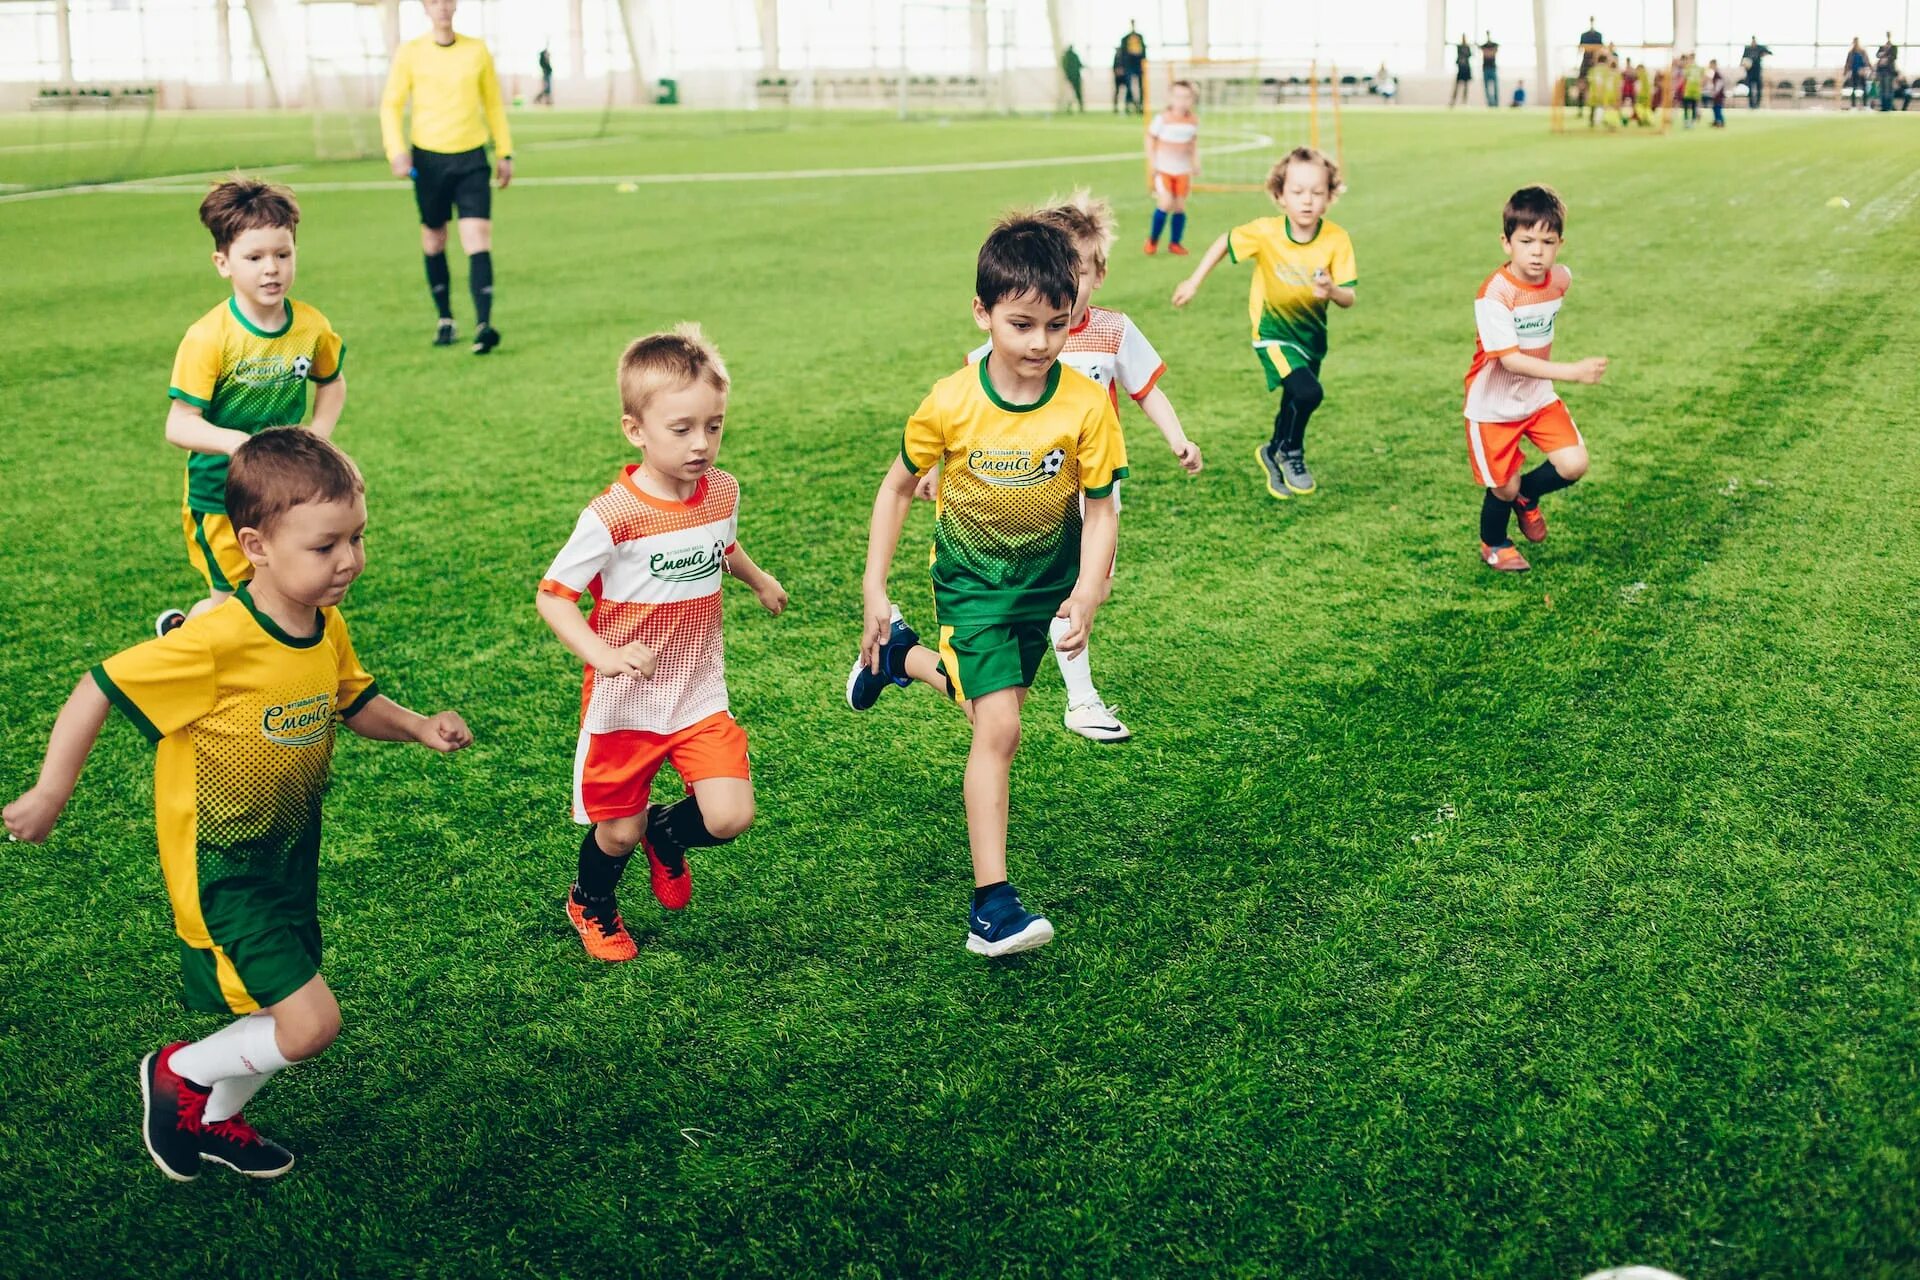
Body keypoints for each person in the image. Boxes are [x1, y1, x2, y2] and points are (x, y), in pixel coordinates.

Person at [3, 428, 472, 1181]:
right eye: (326, 546)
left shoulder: (324, 623)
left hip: (288, 856)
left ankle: (214, 1121)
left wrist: (417, 726)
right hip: (222, 868)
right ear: (255, 545)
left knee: (278, 1006)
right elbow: (98, 685)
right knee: (311, 1023)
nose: (349, 560)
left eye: (358, 537)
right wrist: (51, 792)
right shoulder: (214, 642)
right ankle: (179, 1074)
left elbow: (354, 699)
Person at [845, 216, 1127, 957]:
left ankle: (898, 659)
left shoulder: (1086, 407)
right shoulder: (950, 401)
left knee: (983, 704)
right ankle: (991, 907)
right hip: (970, 584)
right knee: (999, 728)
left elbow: (1100, 510)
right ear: (983, 314)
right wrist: (875, 587)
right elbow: (897, 488)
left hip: (1044, 588)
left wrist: (1090, 591)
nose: (1039, 343)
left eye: (1056, 325)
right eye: (1021, 324)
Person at [537, 326, 786, 962]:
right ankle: (591, 902)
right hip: (626, 702)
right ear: (635, 430)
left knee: (730, 815)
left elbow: (720, 546)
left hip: (699, 689)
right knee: (617, 833)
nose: (701, 443)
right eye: (682, 429)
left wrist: (757, 579)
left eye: (714, 426)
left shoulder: (723, 490)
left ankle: (669, 832)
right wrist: (602, 655)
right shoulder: (612, 515)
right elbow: (553, 597)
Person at [935, 190, 1201, 744]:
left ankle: (915, 665)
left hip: (1096, 490)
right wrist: (936, 471)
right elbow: (966, 416)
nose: (1067, 284)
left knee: (1091, 591)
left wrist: (1178, 438)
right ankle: (1080, 700)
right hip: (1028, 494)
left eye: (1077, 271)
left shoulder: (1113, 331)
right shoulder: (1011, 340)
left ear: (1096, 275)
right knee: (1046, 597)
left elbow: (1146, 389)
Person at [159, 178, 344, 637]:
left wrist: (318, 434)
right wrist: (239, 445)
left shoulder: (310, 326)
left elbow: (333, 383)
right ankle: (183, 640)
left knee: (277, 590)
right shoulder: (209, 337)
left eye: (283, 254)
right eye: (255, 257)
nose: (271, 270)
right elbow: (179, 424)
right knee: (233, 603)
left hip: (282, 490)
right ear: (223, 263)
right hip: (218, 495)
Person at [1171, 147, 1356, 501]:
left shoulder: (1336, 239)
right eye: (1297, 192)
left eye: (1317, 193)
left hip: (1312, 337)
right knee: (1308, 392)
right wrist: (1193, 282)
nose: (1307, 201)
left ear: (1330, 196)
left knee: (1294, 396)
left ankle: (1276, 450)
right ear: (1279, 196)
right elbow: (1224, 243)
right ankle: (1289, 451)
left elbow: (1349, 297)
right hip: (1272, 333)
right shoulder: (1265, 233)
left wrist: (1332, 290)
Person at [1462, 187, 1608, 573]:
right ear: (1506, 243)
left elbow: (1561, 281)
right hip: (1492, 406)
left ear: (1560, 243)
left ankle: (1528, 495)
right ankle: (1494, 543)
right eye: (1526, 241)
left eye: (1548, 241)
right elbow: (1509, 360)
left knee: (1574, 464)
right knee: (1502, 488)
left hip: (1538, 397)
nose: (1537, 252)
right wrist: (1572, 372)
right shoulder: (1494, 295)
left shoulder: (1559, 279)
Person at [380, 0, 513, 355]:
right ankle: (446, 318)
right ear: (425, 7)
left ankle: (484, 325)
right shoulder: (410, 53)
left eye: (447, 1)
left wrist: (505, 150)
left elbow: (494, 104)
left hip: (472, 157)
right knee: (434, 239)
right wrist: (396, 150)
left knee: (477, 237)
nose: (441, 7)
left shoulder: (477, 50)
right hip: (428, 158)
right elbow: (391, 105)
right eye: (434, 1)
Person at [1143, 79, 1198, 255]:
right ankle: (1153, 240)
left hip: (1182, 171)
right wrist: (1152, 162)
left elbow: (1192, 144)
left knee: (1180, 206)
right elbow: (1150, 138)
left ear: (1192, 99)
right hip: (1164, 170)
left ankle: (1175, 243)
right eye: (1178, 96)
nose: (1182, 101)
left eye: (1186, 97)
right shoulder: (1163, 119)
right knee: (1166, 202)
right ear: (1170, 98)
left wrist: (1195, 162)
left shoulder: (1192, 121)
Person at [1120, 22, 1147, 114]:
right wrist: (1121, 66)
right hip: (1129, 65)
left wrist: (1144, 64)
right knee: (1129, 86)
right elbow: (1122, 53)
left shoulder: (1140, 37)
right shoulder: (1125, 39)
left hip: (1138, 65)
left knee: (1141, 87)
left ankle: (1141, 106)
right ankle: (1129, 105)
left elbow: (1144, 52)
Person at [1741, 36, 1771, 108]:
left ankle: (1757, 105)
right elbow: (1743, 59)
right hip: (1750, 72)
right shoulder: (1747, 49)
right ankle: (1751, 105)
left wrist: (1763, 54)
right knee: (1750, 89)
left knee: (1759, 89)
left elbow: (1769, 52)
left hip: (1757, 72)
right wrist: (1744, 65)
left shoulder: (1760, 48)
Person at [1844, 38, 1870, 109]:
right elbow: (1848, 63)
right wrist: (1846, 72)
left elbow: (1867, 62)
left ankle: (1865, 105)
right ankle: (1853, 106)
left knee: (1864, 89)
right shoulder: (1851, 52)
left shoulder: (1863, 52)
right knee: (1854, 89)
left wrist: (1866, 69)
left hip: (1862, 72)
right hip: (1854, 72)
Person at [1876, 33, 1899, 112]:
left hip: (1889, 72)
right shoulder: (1882, 47)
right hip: (1882, 71)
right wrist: (1883, 54)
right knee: (1882, 89)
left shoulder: (1894, 47)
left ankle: (1889, 107)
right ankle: (1883, 106)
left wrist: (1886, 58)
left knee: (1889, 89)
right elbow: (1877, 55)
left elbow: (1894, 56)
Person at [1061, 43, 1084, 112]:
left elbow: (1064, 67)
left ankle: (1069, 107)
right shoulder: (1074, 56)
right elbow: (1080, 65)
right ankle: (1080, 107)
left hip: (1069, 78)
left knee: (1071, 93)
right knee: (1077, 92)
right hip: (1076, 77)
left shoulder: (1065, 57)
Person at [1451, 34, 1473, 107]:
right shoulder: (1459, 47)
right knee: (1457, 86)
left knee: (1466, 87)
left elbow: (1470, 55)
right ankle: (1453, 101)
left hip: (1466, 69)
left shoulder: (1467, 47)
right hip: (1460, 69)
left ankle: (1464, 102)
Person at [1705, 59, 1728, 127]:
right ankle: (1716, 121)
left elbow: (1719, 83)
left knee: (1717, 108)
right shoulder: (1715, 73)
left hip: (1718, 95)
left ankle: (1721, 122)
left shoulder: (1717, 73)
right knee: (1715, 108)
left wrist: (1715, 92)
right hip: (1717, 94)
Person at [1480, 32, 1500, 108]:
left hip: (1493, 69)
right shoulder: (1484, 45)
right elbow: (1487, 53)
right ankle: (1490, 104)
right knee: (1486, 88)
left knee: (1495, 87)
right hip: (1485, 69)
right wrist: (1489, 52)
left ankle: (1496, 103)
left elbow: (1492, 53)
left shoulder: (1494, 45)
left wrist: (1488, 52)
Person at [1111, 42, 1127, 113]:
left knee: (1127, 92)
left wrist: (1123, 71)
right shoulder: (1116, 57)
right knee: (1117, 92)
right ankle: (1115, 107)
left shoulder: (1124, 57)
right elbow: (1114, 67)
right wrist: (1117, 72)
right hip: (1118, 78)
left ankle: (1127, 106)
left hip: (1124, 77)